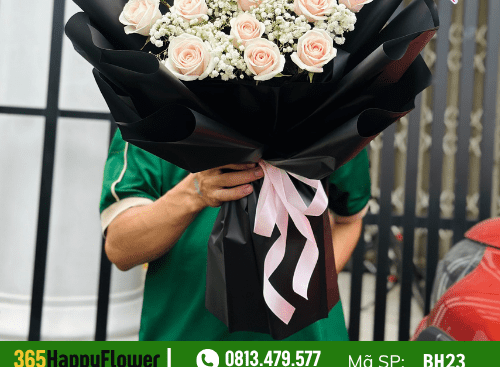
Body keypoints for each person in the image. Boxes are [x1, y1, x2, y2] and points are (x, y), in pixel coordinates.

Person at [100, 130, 371, 341]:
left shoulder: (326, 111)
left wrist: (308, 284)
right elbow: (121, 248)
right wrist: (195, 191)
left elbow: (349, 219)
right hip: (189, 340)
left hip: (306, 348)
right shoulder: (156, 108)